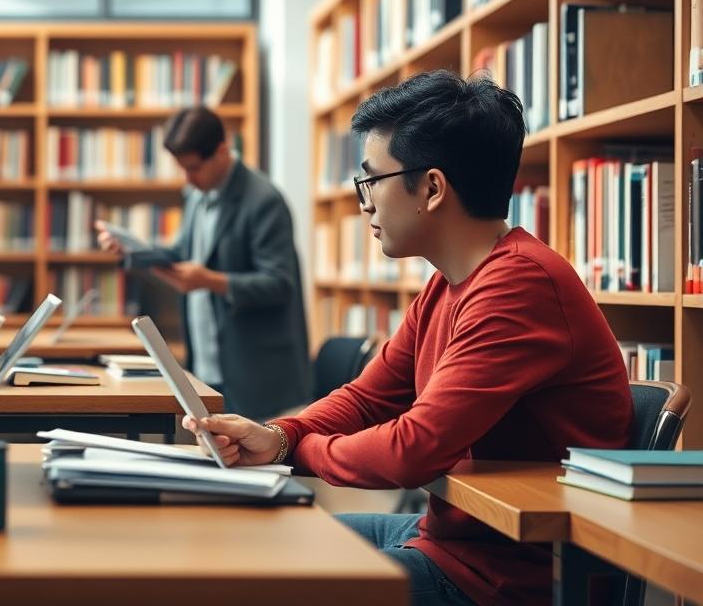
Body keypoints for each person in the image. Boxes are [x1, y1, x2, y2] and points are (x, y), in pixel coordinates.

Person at [185, 71, 633, 605]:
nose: (364, 202)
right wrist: (279, 435)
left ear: (432, 187)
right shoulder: (449, 282)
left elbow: (412, 450)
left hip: (503, 577)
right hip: (447, 541)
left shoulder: (519, 286)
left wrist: (299, 450)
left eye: (372, 179)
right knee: (247, 545)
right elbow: (368, 398)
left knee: (265, 583)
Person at [95, 106, 311, 419]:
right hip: (208, 365)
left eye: (194, 168)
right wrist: (132, 250)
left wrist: (210, 280)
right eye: (182, 168)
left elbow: (280, 284)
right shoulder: (198, 195)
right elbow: (182, 252)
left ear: (222, 151)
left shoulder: (264, 200)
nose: (188, 179)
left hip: (257, 377)